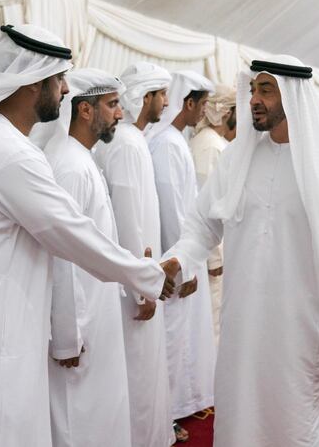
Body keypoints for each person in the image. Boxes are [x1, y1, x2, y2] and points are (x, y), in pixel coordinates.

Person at [0, 25, 178, 447]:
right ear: (33, 82)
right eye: (58, 81)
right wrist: (146, 274)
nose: (62, 91)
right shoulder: (8, 153)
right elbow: (71, 234)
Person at [163, 56, 319, 446]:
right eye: (252, 90)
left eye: (266, 90)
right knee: (241, 421)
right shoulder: (237, 158)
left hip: (304, 331)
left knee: (299, 425)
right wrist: (178, 259)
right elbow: (202, 224)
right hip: (243, 329)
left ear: (294, 96)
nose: (254, 100)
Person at [41, 68, 130, 447]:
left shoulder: (81, 158)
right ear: (85, 111)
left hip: (96, 314)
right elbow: (61, 257)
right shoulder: (69, 165)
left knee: (99, 416)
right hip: (81, 327)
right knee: (77, 422)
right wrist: (66, 335)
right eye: (112, 105)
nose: (120, 115)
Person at [94, 62, 175, 447]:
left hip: (141, 273)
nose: (166, 102)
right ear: (148, 98)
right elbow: (127, 217)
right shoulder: (125, 142)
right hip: (133, 283)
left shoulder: (132, 139)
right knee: (138, 372)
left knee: (145, 369)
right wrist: (140, 287)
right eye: (162, 95)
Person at [148, 70, 216, 433]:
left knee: (179, 336)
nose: (204, 112)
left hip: (177, 256)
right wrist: (184, 268)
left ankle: (175, 405)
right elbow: (173, 212)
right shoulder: (170, 144)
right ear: (187, 103)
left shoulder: (171, 140)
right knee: (172, 339)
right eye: (202, 104)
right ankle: (166, 417)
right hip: (174, 260)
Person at [188, 84, 237, 345]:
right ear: (227, 113)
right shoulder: (211, 146)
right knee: (212, 326)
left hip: (211, 251)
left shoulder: (213, 143)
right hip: (209, 256)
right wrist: (215, 259)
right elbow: (207, 206)